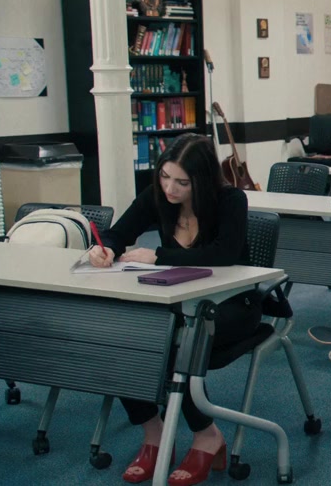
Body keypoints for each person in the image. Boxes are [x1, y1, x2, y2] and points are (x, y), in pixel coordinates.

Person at [85, 133, 251, 485]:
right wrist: (107, 249)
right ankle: (154, 433)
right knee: (121, 335)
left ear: (201, 181)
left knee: (175, 342)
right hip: (176, 302)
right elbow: (118, 232)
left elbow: (225, 254)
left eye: (182, 182)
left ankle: (207, 436)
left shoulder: (231, 200)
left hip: (231, 304)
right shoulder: (158, 196)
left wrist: (158, 256)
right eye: (164, 177)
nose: (170, 188)